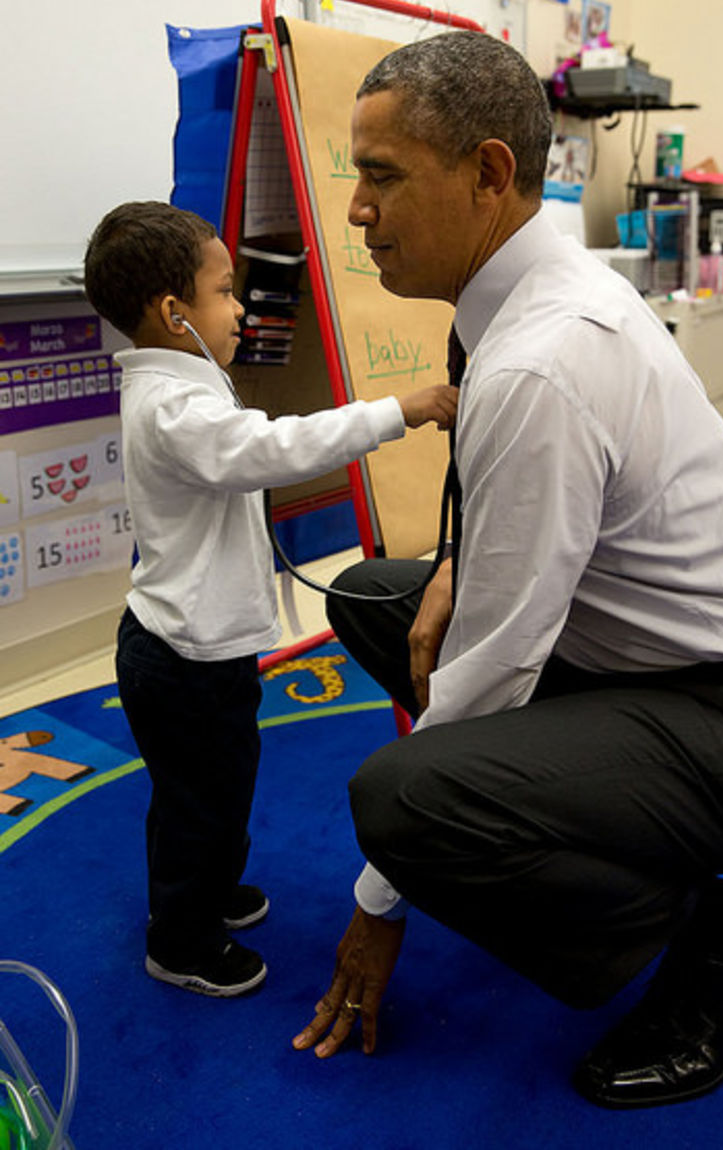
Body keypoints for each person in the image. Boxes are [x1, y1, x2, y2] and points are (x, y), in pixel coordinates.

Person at [291, 31, 723, 1108]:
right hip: (678, 664)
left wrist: (380, 901)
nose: (355, 212)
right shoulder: (514, 299)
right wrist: (455, 565)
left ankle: (717, 943)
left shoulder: (537, 359)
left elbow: (493, 666)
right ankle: (602, 849)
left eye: (380, 178)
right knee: (383, 597)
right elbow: (507, 542)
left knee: (404, 800)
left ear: (486, 173)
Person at [83, 201, 456, 998]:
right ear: (173, 313)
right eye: (225, 291)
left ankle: (213, 888)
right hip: (179, 656)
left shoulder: (185, 382)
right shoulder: (173, 407)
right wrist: (399, 410)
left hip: (205, 648)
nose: (242, 305)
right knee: (196, 804)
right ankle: (180, 942)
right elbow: (273, 448)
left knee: (226, 781)